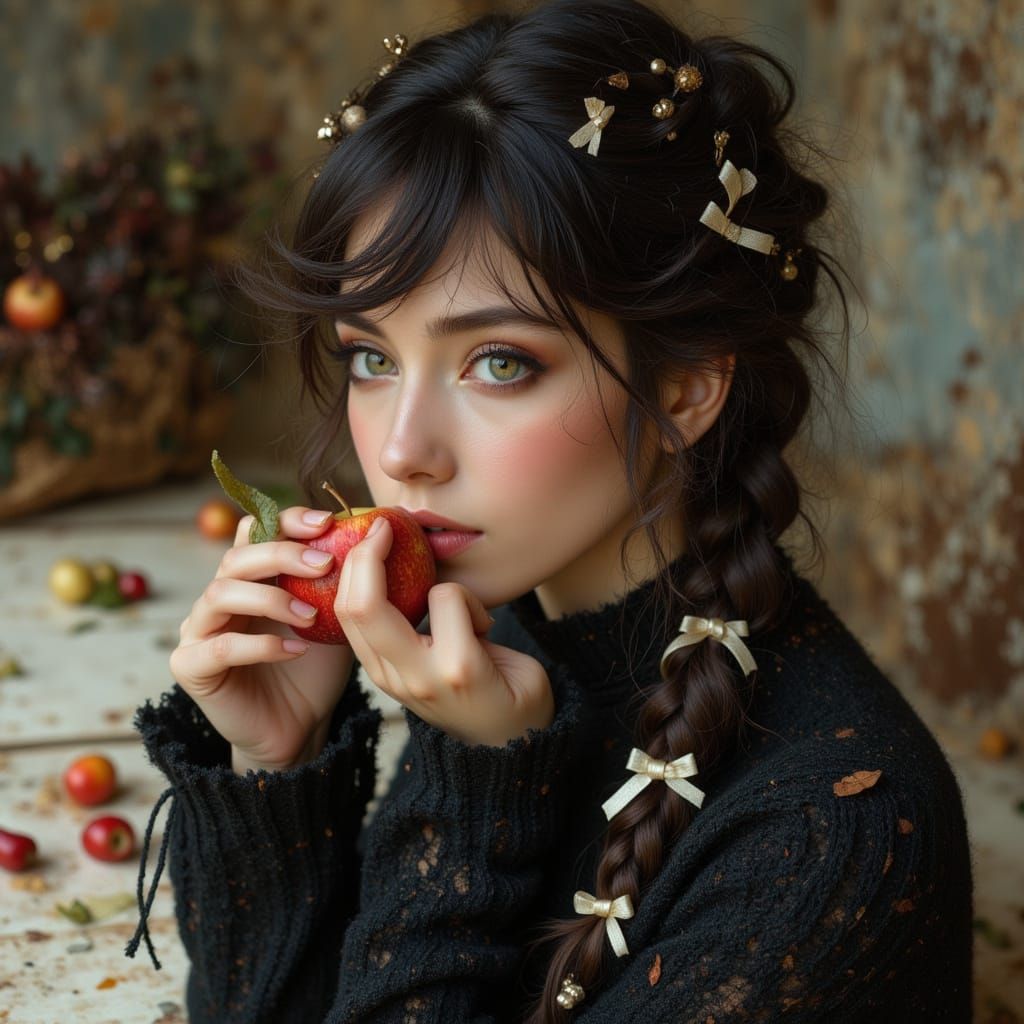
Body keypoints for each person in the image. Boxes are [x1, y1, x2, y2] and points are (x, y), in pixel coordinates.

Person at [124, 0, 974, 1020]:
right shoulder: (513, 644)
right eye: (370, 357)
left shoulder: (835, 832)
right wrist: (277, 763)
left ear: (686, 391)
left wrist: (476, 779)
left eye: (498, 362)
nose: (399, 450)